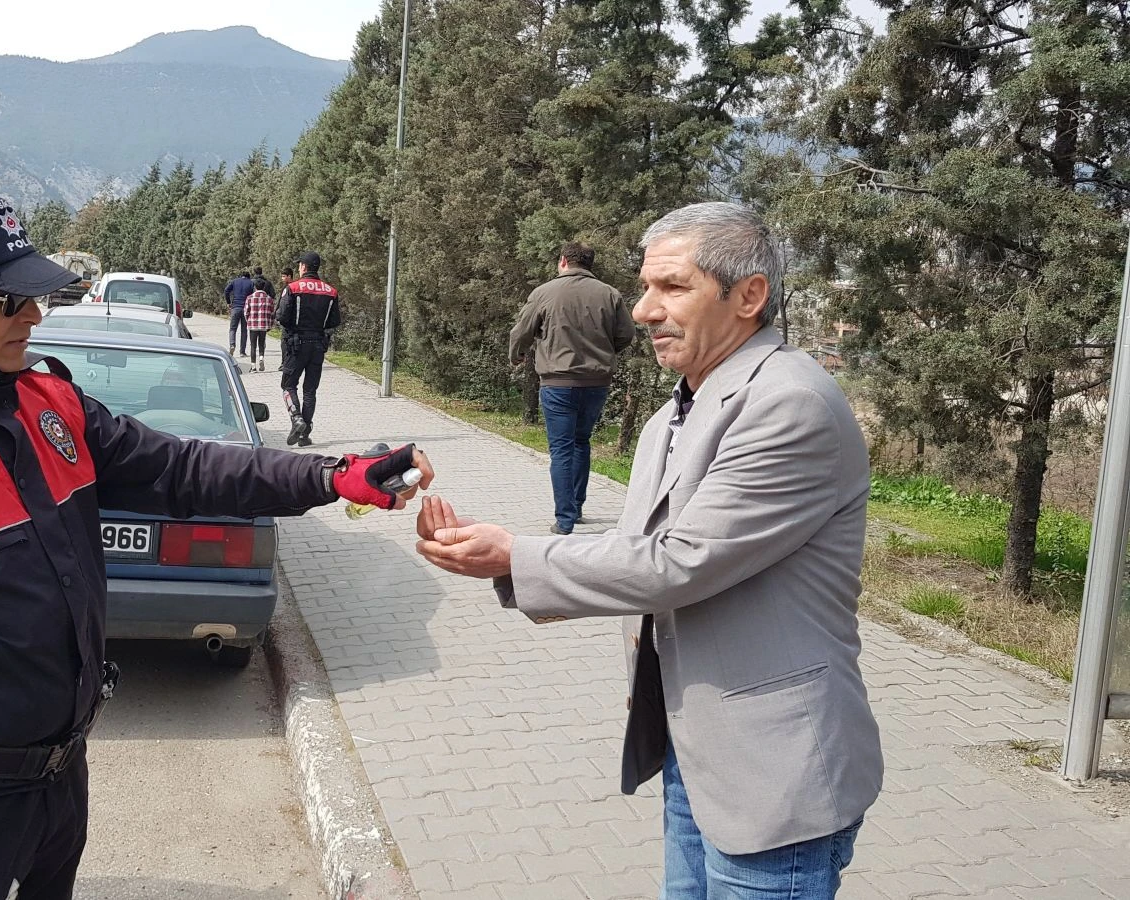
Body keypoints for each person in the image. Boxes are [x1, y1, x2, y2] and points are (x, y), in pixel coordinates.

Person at [0, 191, 433, 900]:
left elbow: (183, 469)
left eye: (35, 296)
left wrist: (332, 476)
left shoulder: (47, 403)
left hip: (56, 789)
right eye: (10, 301)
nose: (34, 316)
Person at [415, 202, 881, 900]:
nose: (641, 310)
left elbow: (679, 561)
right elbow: (640, 553)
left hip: (773, 781)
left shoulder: (790, 405)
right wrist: (514, 559)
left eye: (671, 287)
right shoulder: (676, 412)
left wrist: (516, 556)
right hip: (698, 753)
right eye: (644, 287)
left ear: (748, 296)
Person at [509, 242, 634, 534]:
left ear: (563, 260)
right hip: (597, 382)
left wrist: (517, 354)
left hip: (558, 383)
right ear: (589, 264)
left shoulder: (544, 292)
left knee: (562, 449)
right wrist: (605, 351)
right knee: (581, 441)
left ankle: (564, 520)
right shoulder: (609, 294)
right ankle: (576, 508)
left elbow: (522, 331)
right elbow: (626, 334)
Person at [277, 251, 341, 447]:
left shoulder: (292, 288)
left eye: (299, 265)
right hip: (318, 345)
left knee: (288, 385)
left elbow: (281, 316)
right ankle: (305, 434)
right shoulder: (331, 292)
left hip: (296, 345)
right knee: (310, 390)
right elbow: (334, 321)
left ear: (303, 267)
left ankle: (296, 418)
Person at [244, 275, 276, 372]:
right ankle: (261, 357)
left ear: (255, 287)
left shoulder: (249, 298)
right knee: (262, 343)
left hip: (253, 325)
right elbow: (272, 313)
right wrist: (270, 325)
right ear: (264, 287)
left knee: (253, 345)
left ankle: (253, 366)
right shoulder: (269, 298)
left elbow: (246, 312)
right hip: (264, 325)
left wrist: (248, 321)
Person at [222, 270, 253, 354]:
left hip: (235, 307)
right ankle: (242, 351)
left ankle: (232, 344)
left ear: (241, 276)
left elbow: (226, 291)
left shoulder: (234, 281)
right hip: (246, 308)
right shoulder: (251, 283)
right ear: (248, 276)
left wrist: (228, 302)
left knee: (232, 328)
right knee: (244, 330)